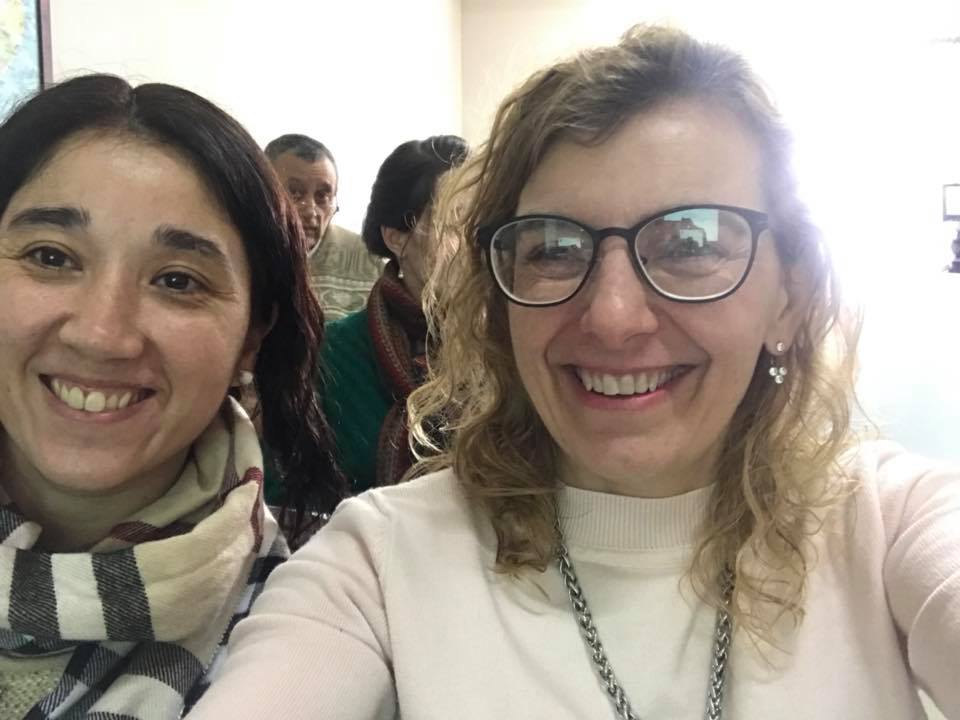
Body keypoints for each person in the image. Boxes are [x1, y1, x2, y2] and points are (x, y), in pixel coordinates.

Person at [188, 26, 960, 720]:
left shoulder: (891, 524)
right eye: (554, 248)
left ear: (788, 297)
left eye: (691, 243)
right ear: (499, 303)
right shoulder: (380, 566)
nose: (614, 316)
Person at [0, 74, 343, 718]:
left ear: (251, 337)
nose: (102, 335)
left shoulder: (318, 642)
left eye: (178, 281)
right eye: (50, 257)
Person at [320, 135, 467, 492]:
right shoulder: (333, 355)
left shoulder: (512, 342)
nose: (474, 243)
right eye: (454, 223)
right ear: (396, 237)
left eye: (485, 223)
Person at [265, 134, 383, 320]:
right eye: (295, 193)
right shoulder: (239, 249)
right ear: (263, 193)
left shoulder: (369, 259)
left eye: (322, 196)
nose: (311, 211)